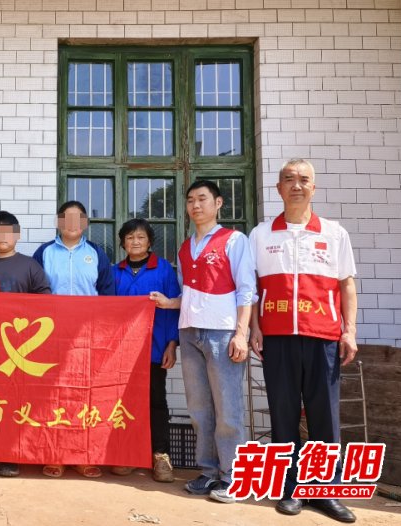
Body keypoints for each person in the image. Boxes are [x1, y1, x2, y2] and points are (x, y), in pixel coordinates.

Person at [249, 159, 358, 523]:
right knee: (283, 414)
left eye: (304, 180)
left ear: (314, 187)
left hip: (323, 337)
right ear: (278, 188)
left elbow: (346, 285)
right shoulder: (261, 235)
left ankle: (326, 491)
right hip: (277, 338)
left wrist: (349, 330)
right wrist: (254, 328)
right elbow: (252, 288)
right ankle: (290, 488)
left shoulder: (334, 233)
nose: (296, 185)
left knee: (324, 416)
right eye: (289, 179)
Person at [151, 180, 256, 504]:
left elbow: (247, 290)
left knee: (228, 409)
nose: (195, 205)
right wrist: (169, 303)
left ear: (218, 203)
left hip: (222, 332)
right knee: (199, 409)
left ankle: (233, 477)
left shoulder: (234, 240)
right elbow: (190, 293)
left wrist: (241, 333)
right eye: (190, 200)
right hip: (190, 332)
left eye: (202, 199)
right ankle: (209, 471)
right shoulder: (186, 247)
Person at [32, 200, 114, 478]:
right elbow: (32, 294)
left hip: (86, 336)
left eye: (78, 218)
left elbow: (108, 295)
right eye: (66, 218)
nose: (71, 223)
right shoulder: (43, 253)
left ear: (85, 223)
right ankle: (54, 454)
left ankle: (83, 455)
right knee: (52, 395)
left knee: (84, 395)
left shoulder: (97, 254)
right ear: (58, 222)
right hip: (51, 334)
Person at [0, 210, 51, 477]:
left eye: (7, 231)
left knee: (16, 402)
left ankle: (10, 456)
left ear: (17, 235)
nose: (1, 237)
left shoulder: (30, 266)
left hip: (21, 349)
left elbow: (46, 300)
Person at [112, 218, 180, 483]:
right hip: (122, 351)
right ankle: (128, 454)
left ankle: (160, 456)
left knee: (156, 402)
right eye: (130, 238)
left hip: (154, 348)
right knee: (124, 403)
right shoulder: (115, 272)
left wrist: (172, 344)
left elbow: (173, 309)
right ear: (123, 243)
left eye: (140, 237)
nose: (135, 242)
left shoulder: (163, 270)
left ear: (150, 241)